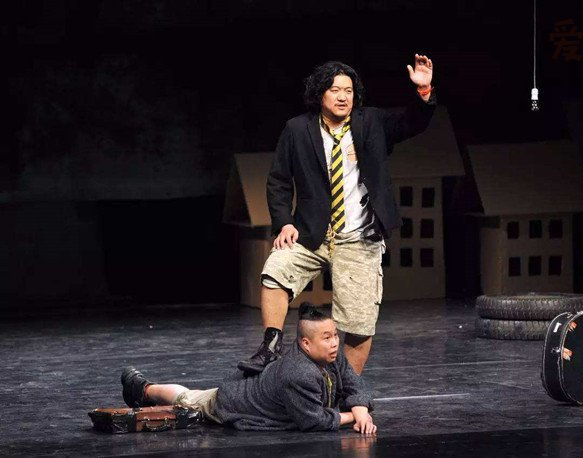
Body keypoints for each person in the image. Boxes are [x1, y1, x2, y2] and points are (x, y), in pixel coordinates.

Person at [238, 53, 436, 376]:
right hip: (311, 233)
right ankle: (270, 347)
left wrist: (424, 91)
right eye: (335, 90)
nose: (343, 96)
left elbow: (412, 122)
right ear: (320, 94)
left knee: (359, 324)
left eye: (348, 90)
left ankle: (343, 386)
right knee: (275, 269)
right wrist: (284, 223)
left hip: (359, 236)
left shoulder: (371, 122)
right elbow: (278, 181)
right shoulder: (297, 129)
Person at [121, 303, 376, 433]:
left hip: (256, 391)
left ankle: (146, 390)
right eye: (327, 337)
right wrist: (355, 416)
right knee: (190, 399)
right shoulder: (298, 372)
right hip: (234, 403)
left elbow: (353, 382)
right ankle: (143, 389)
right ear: (306, 344)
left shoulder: (331, 355)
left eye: (335, 335)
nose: (335, 343)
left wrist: (360, 408)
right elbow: (313, 421)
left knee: (193, 397)